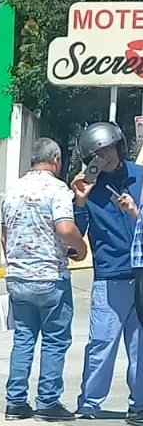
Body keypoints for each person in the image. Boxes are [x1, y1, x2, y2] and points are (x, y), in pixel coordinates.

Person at [2, 137, 88, 421]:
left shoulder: (12, 188)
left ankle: (15, 402)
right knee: (54, 340)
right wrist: (81, 248)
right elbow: (64, 228)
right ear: (56, 160)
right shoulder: (57, 189)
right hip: (50, 277)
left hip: (17, 276)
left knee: (23, 338)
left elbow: (4, 235)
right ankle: (48, 403)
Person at [71, 122, 143, 423]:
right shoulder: (88, 187)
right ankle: (89, 403)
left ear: (119, 146)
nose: (104, 157)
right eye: (97, 154)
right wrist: (80, 201)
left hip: (139, 273)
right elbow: (77, 235)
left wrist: (134, 210)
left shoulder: (139, 177)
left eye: (108, 150)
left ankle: (138, 405)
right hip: (109, 276)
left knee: (140, 347)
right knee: (102, 343)